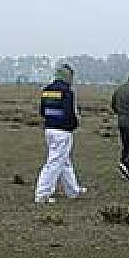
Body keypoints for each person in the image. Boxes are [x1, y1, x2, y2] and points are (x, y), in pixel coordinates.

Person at [35, 64, 87, 204]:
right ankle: (42, 194)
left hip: (49, 129)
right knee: (54, 162)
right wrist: (74, 124)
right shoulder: (67, 92)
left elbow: (42, 110)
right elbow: (69, 112)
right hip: (63, 131)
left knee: (64, 161)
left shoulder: (47, 90)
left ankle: (73, 190)